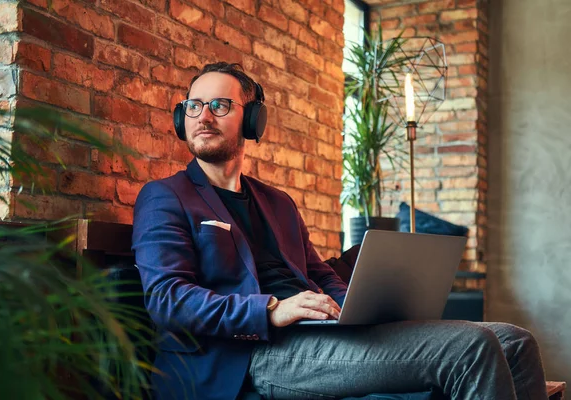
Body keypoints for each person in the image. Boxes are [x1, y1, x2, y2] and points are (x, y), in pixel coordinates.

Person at [132, 62, 548, 400]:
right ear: (180, 117)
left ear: (253, 120)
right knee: (471, 347)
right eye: (193, 106)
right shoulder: (166, 196)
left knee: (514, 340)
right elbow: (168, 299)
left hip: (317, 334)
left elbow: (321, 275)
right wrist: (272, 310)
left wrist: (359, 306)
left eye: (220, 105)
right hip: (247, 353)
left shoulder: (277, 203)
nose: (203, 116)